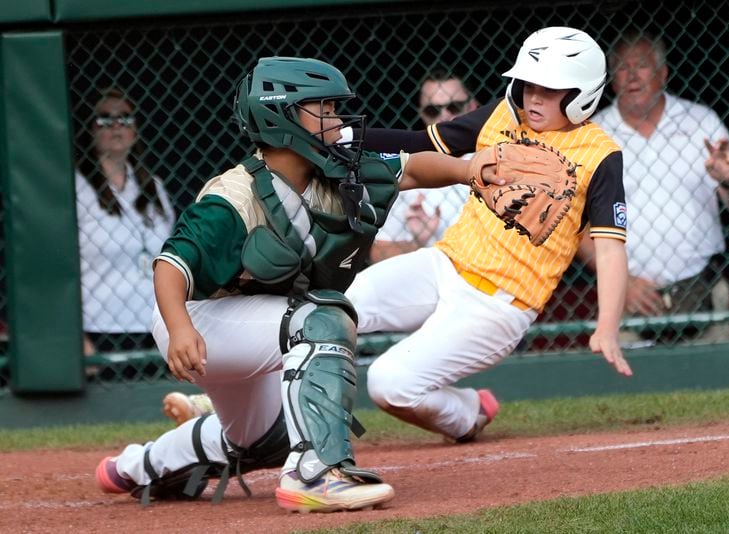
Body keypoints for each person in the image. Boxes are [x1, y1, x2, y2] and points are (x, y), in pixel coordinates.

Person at [95, 56, 496, 513]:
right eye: (323, 109)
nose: (338, 120)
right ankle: (317, 474)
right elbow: (170, 265)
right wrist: (180, 329)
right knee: (323, 316)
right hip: (196, 323)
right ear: (281, 117)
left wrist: (471, 170)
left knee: (265, 437)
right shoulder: (236, 194)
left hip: (257, 324)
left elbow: (414, 168)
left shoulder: (334, 170)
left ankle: (137, 466)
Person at [343, 26, 633, 443]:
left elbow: (608, 249)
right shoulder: (501, 115)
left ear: (582, 94)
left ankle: (466, 413)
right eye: (529, 85)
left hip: (498, 305)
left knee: (388, 384)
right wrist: (346, 137)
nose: (533, 98)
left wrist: (607, 326)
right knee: (335, 306)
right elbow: (422, 142)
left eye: (550, 90)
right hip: (443, 264)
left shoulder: (601, 154)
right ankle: (260, 414)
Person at [577, 31, 729, 344]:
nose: (632, 75)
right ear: (611, 80)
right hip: (627, 296)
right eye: (622, 67)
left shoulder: (701, 121)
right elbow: (575, 225)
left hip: (701, 288)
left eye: (642, 65)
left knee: (718, 387)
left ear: (663, 73)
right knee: (627, 391)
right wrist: (622, 282)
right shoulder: (592, 136)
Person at [75, 87, 176, 356]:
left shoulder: (154, 188)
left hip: (156, 326)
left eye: (125, 118)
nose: (117, 125)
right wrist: (77, 337)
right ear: (91, 130)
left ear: (136, 131)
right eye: (105, 118)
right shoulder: (75, 187)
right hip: (99, 329)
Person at [369, 69, 479, 263]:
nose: (444, 116)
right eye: (433, 110)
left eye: (454, 106)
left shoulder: (495, 156)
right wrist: (418, 242)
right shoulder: (408, 169)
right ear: (422, 114)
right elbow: (378, 254)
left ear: (473, 106)